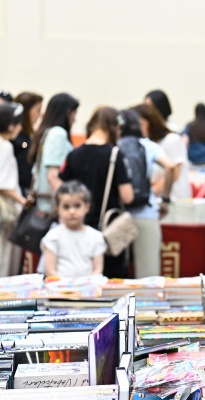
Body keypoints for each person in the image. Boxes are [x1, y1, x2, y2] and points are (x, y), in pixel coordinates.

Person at [59, 106, 134, 278]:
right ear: (115, 127)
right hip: (107, 231)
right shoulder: (115, 155)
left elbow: (62, 189)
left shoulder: (74, 154)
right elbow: (127, 196)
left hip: (77, 227)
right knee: (109, 281)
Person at [121, 108, 175, 278]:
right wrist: (165, 199)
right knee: (148, 277)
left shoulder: (114, 146)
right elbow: (170, 167)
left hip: (119, 217)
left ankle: (125, 305)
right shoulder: (149, 146)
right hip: (147, 213)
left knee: (119, 277)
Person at [41, 181, 106, 278]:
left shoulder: (96, 237)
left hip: (88, 290)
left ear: (87, 207)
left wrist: (85, 285)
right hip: (60, 289)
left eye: (77, 206)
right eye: (66, 207)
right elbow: (50, 271)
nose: (72, 211)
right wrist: (67, 286)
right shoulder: (52, 237)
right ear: (58, 209)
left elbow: (98, 269)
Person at [28, 93, 79, 215]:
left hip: (45, 202)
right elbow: (53, 176)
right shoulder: (58, 134)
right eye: (74, 113)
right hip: (50, 205)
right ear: (67, 112)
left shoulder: (48, 132)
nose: (75, 118)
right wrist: (62, 206)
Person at [133, 103, 190, 200]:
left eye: (140, 124)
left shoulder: (172, 140)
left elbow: (175, 172)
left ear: (150, 122)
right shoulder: (148, 144)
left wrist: (150, 193)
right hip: (159, 201)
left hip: (175, 199)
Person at [0, 103, 27, 276]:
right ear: (10, 125)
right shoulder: (5, 146)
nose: (21, 128)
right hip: (5, 212)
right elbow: (4, 185)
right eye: (18, 123)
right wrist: (24, 202)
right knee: (4, 258)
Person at [12, 92, 43, 196]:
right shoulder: (15, 138)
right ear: (27, 111)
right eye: (38, 110)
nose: (40, 115)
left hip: (24, 189)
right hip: (16, 191)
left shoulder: (29, 136)